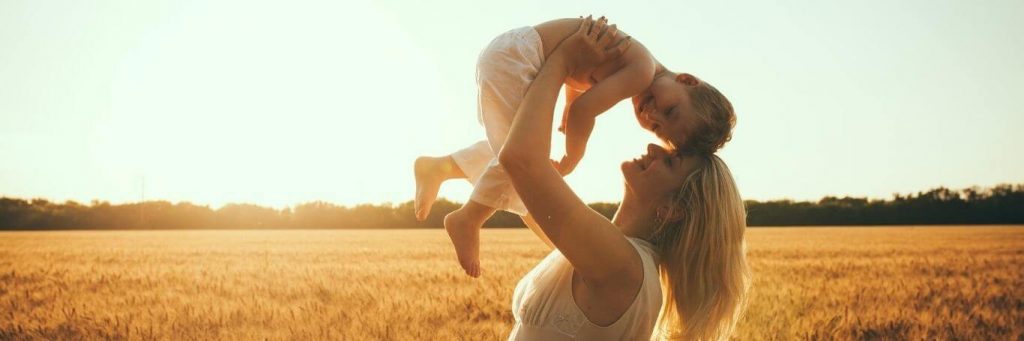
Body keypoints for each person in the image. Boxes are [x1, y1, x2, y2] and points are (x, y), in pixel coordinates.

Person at [414, 16, 736, 279]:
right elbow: (586, 110)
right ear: (688, 80)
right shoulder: (641, 72)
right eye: (670, 111)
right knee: (524, 158)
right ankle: (469, 218)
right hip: (518, 61)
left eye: (656, 128)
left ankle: (439, 166)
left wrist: (567, 107)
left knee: (512, 148)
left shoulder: (638, 60)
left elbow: (580, 79)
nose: (652, 115)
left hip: (511, 53)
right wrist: (574, 153)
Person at [497, 19, 752, 340]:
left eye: (671, 160)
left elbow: (520, 161)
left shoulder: (623, 267)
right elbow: (519, 189)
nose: (650, 146)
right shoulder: (611, 253)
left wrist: (562, 59)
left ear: (673, 209)